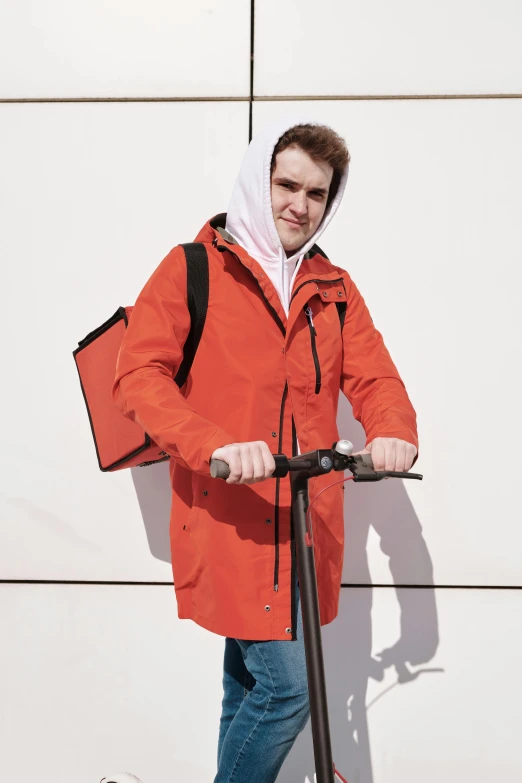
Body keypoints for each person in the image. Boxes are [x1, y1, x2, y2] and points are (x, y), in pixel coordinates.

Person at [111, 117, 418, 783]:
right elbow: (137, 375)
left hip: (306, 523)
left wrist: (391, 430)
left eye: (317, 194)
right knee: (286, 688)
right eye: (288, 184)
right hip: (232, 517)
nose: (299, 206)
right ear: (259, 182)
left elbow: (375, 377)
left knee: (245, 687)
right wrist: (214, 443)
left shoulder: (332, 288)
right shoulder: (194, 267)